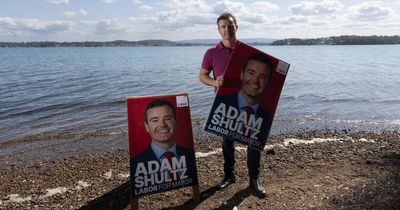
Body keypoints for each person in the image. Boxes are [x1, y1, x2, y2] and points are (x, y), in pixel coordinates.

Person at [199, 12, 268, 198]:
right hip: (225, 103)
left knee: (254, 141)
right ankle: (229, 175)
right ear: (218, 29)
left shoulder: (248, 52)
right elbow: (202, 76)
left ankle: (254, 180)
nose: (226, 30)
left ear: (236, 27)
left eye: (230, 26)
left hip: (250, 103)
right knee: (227, 141)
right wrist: (215, 83)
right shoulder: (211, 52)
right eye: (223, 26)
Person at [208, 53, 273, 150]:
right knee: (227, 143)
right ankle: (229, 165)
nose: (255, 80)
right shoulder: (221, 104)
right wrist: (215, 82)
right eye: (251, 73)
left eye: (262, 77)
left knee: (255, 146)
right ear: (242, 74)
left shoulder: (267, 116)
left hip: (255, 139)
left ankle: (254, 166)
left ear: (268, 83)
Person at [131, 99, 197, 185]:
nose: (162, 124)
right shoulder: (136, 163)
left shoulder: (190, 154)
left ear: (176, 122)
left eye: (168, 118)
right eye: (155, 120)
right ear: (146, 126)